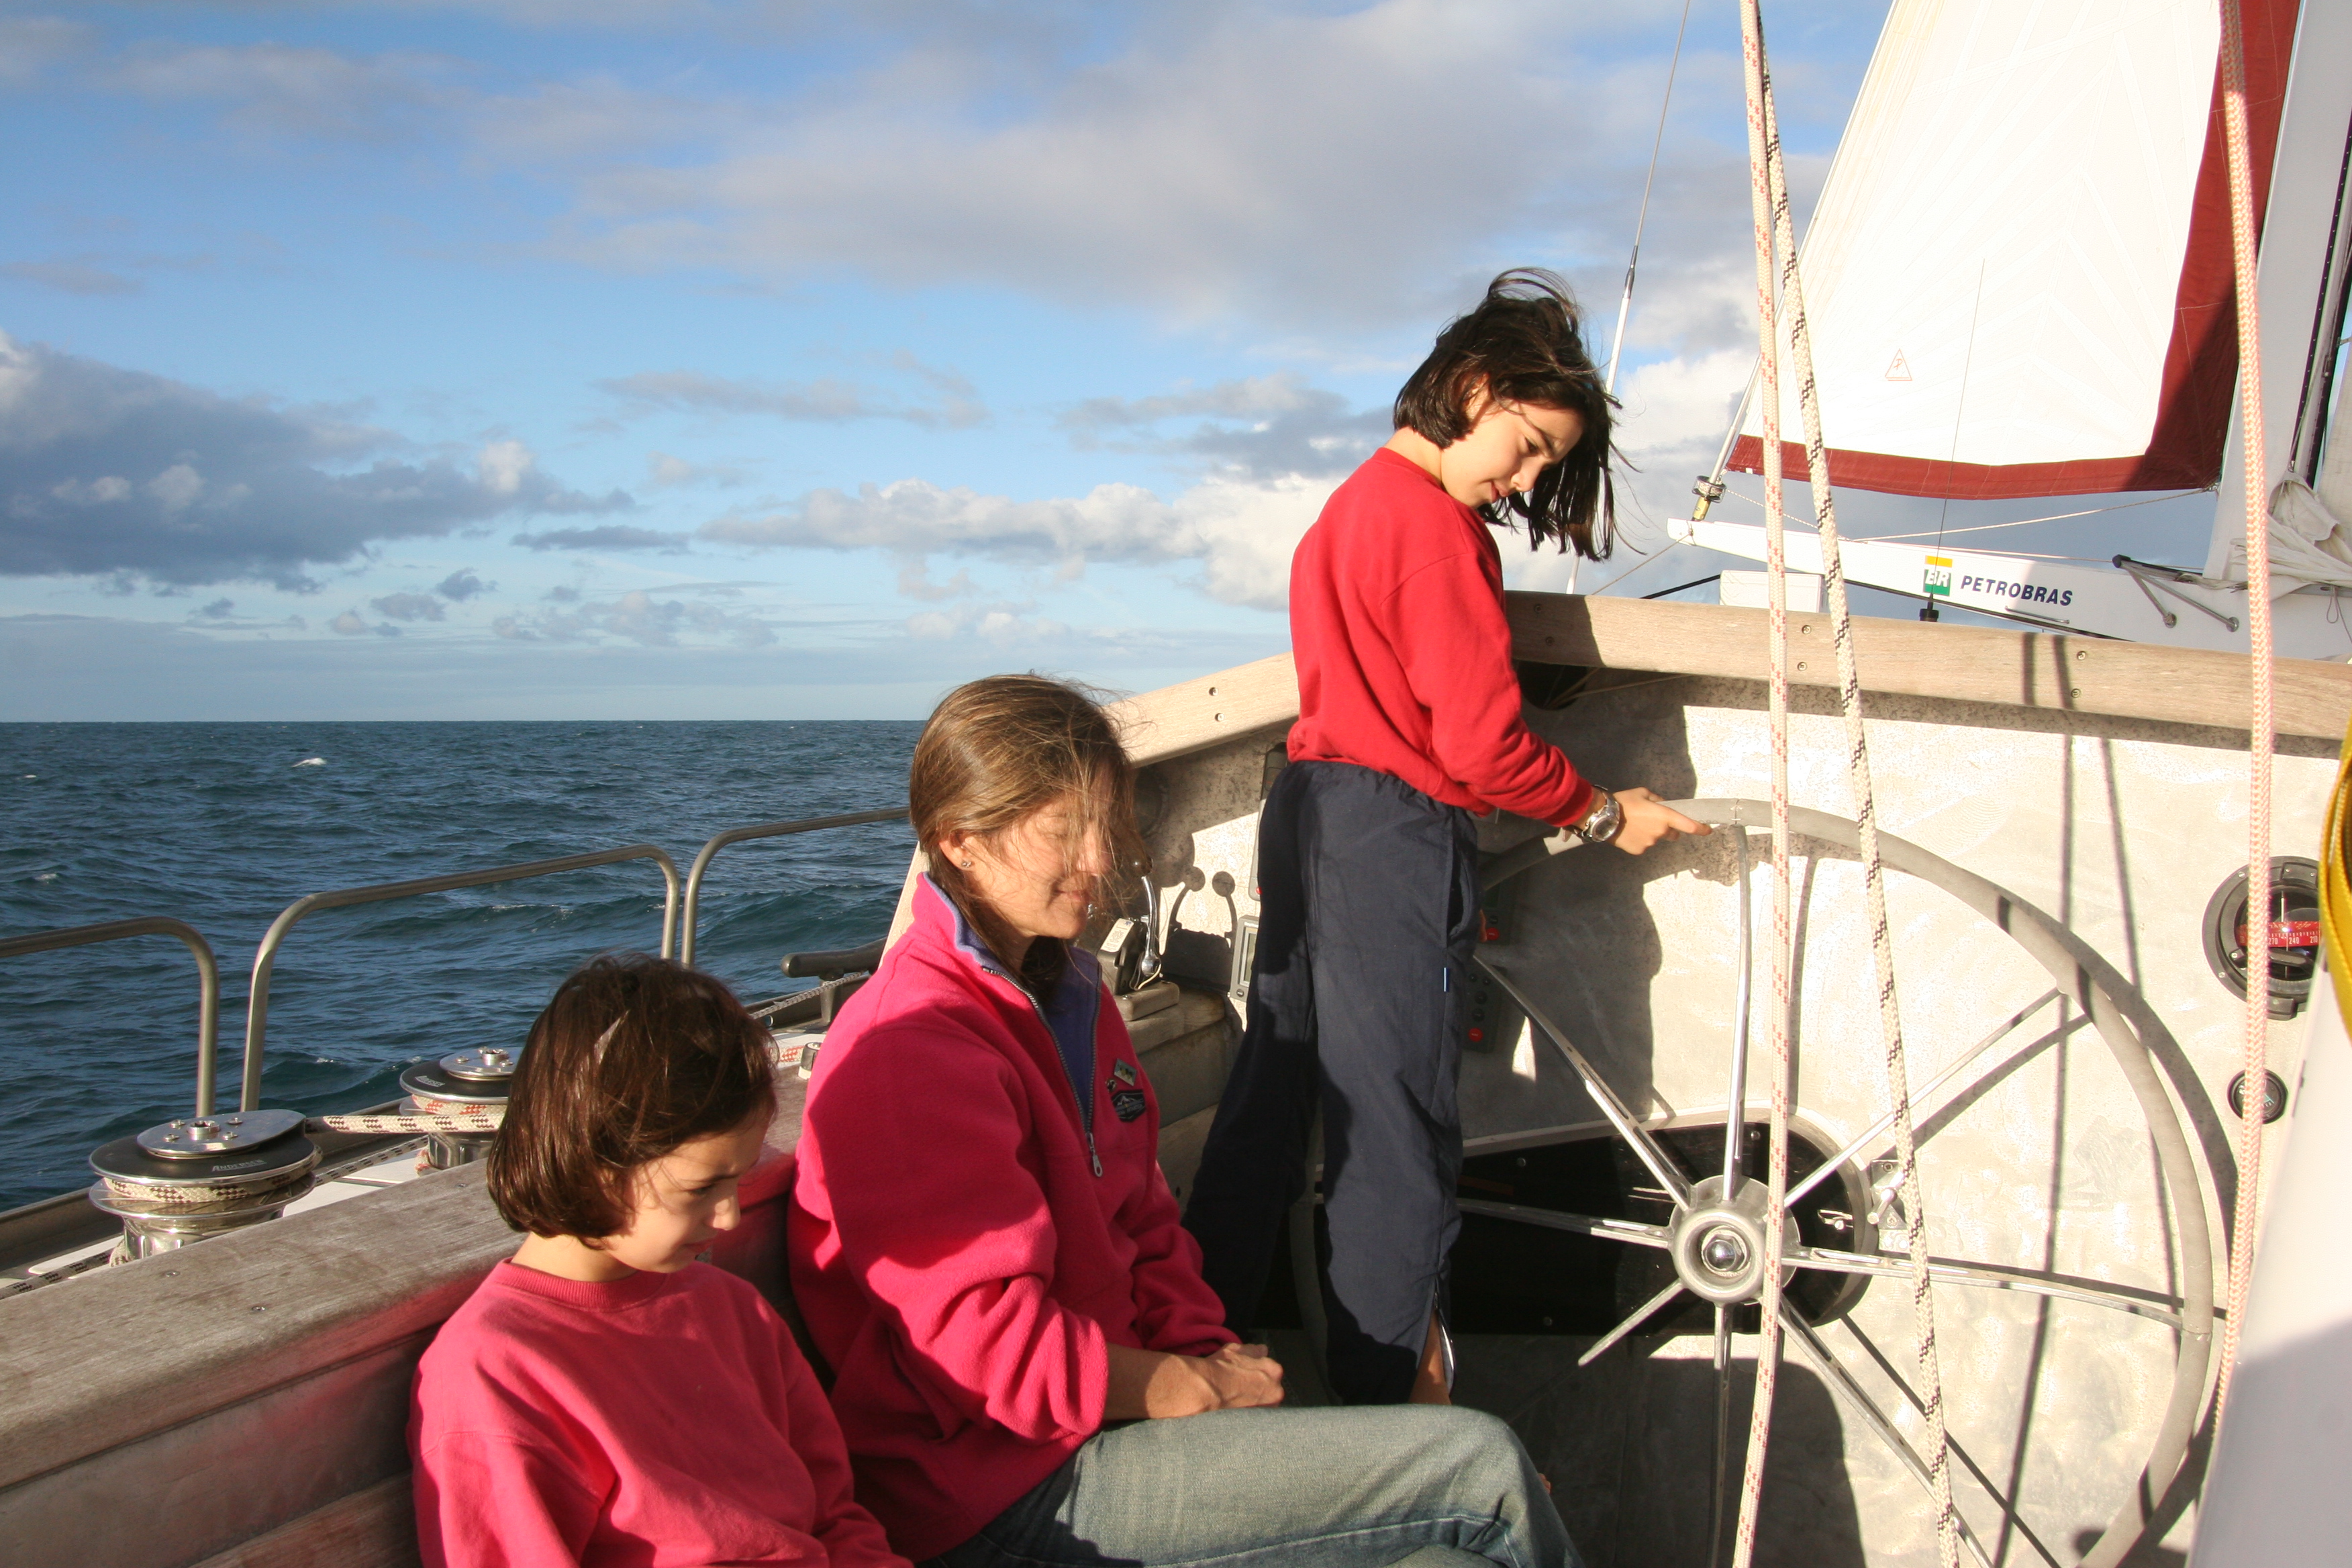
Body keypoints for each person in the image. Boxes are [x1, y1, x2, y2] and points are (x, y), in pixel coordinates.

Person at [789, 674, 1577, 1568]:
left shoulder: (1078, 1001)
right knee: (1480, 1470)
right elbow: (979, 1351)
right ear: (959, 841)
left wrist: (1214, 1363)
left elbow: (1146, 1225)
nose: (1101, 860)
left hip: (1116, 1433)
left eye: (1105, 822)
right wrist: (1186, 1383)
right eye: (1063, 829)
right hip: (1003, 1497)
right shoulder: (911, 1046)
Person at [1182, 268, 1709, 1406]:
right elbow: (1478, 748)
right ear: (1470, 387)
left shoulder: (1348, 508)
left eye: (1541, 468)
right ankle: (1393, 1417)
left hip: (1308, 812)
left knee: (1268, 1109)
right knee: (1396, 1136)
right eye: (1522, 447)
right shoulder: (1436, 534)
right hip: (1389, 836)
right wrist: (1604, 811)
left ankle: (1194, 1350)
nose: (1520, 481)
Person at [410, 954, 908, 1568]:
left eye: (738, 1182)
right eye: (701, 1189)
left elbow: (832, 1515)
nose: (728, 1218)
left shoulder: (733, 1311)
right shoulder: (495, 1375)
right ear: (594, 1161)